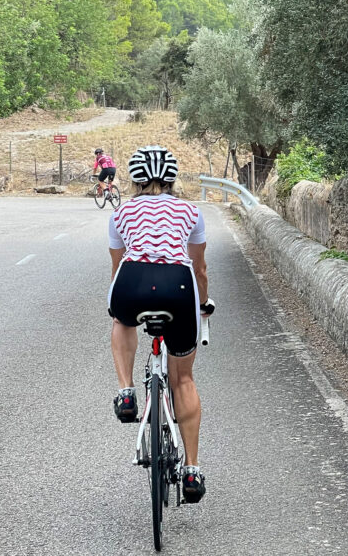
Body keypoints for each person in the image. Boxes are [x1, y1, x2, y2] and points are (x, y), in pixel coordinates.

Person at [107, 145, 210, 503]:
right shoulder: (190, 211)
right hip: (178, 287)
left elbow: (117, 264)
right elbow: (199, 268)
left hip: (132, 282)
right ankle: (192, 469)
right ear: (171, 178)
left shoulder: (121, 212)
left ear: (134, 179)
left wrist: (125, 299)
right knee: (183, 378)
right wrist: (203, 305)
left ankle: (125, 389)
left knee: (121, 319)